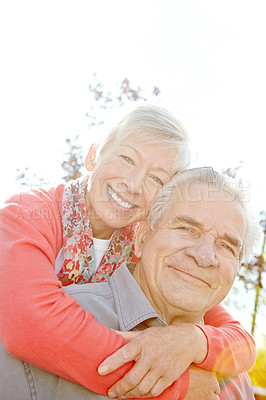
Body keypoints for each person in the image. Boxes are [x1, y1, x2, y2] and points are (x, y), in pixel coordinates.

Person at [0, 103, 256, 398]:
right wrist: (175, 387)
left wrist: (194, 340)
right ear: (93, 155)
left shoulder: (145, 247)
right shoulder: (26, 215)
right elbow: (31, 326)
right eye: (126, 158)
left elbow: (239, 340)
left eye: (156, 178)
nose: (133, 185)